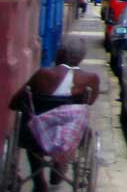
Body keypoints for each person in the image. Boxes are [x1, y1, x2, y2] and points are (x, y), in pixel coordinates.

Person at [9, 37, 100, 192]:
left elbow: (15, 102)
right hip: (70, 138)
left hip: (36, 138)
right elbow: (89, 103)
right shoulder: (91, 79)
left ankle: (39, 182)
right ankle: (59, 166)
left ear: (60, 54)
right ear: (81, 57)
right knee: (67, 122)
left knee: (33, 122)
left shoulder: (43, 74)